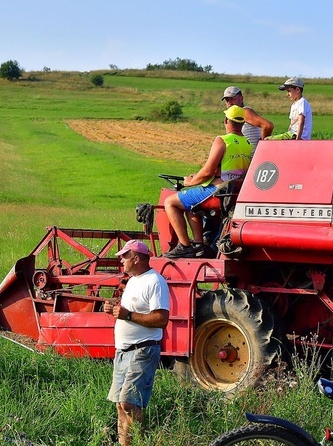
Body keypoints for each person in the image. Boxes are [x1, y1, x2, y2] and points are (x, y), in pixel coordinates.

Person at [163, 105, 253, 258]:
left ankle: (185, 246)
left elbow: (208, 171)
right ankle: (199, 245)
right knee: (191, 203)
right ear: (243, 123)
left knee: (170, 202)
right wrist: (197, 177)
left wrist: (190, 182)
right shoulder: (248, 144)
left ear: (226, 120)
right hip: (233, 194)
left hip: (217, 192)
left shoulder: (223, 140)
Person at [104, 239, 170, 446]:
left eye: (124, 256)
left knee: (129, 404)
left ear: (137, 258)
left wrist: (127, 316)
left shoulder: (155, 282)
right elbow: (130, 311)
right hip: (123, 351)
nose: (121, 260)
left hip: (142, 349)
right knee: (120, 405)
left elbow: (161, 319)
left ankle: (140, 442)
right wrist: (115, 309)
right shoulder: (133, 280)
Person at [222, 86, 274, 151]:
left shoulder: (244, 111)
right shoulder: (233, 115)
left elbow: (268, 125)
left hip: (251, 156)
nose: (229, 102)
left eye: (232, 99)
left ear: (241, 98)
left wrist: (262, 147)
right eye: (227, 100)